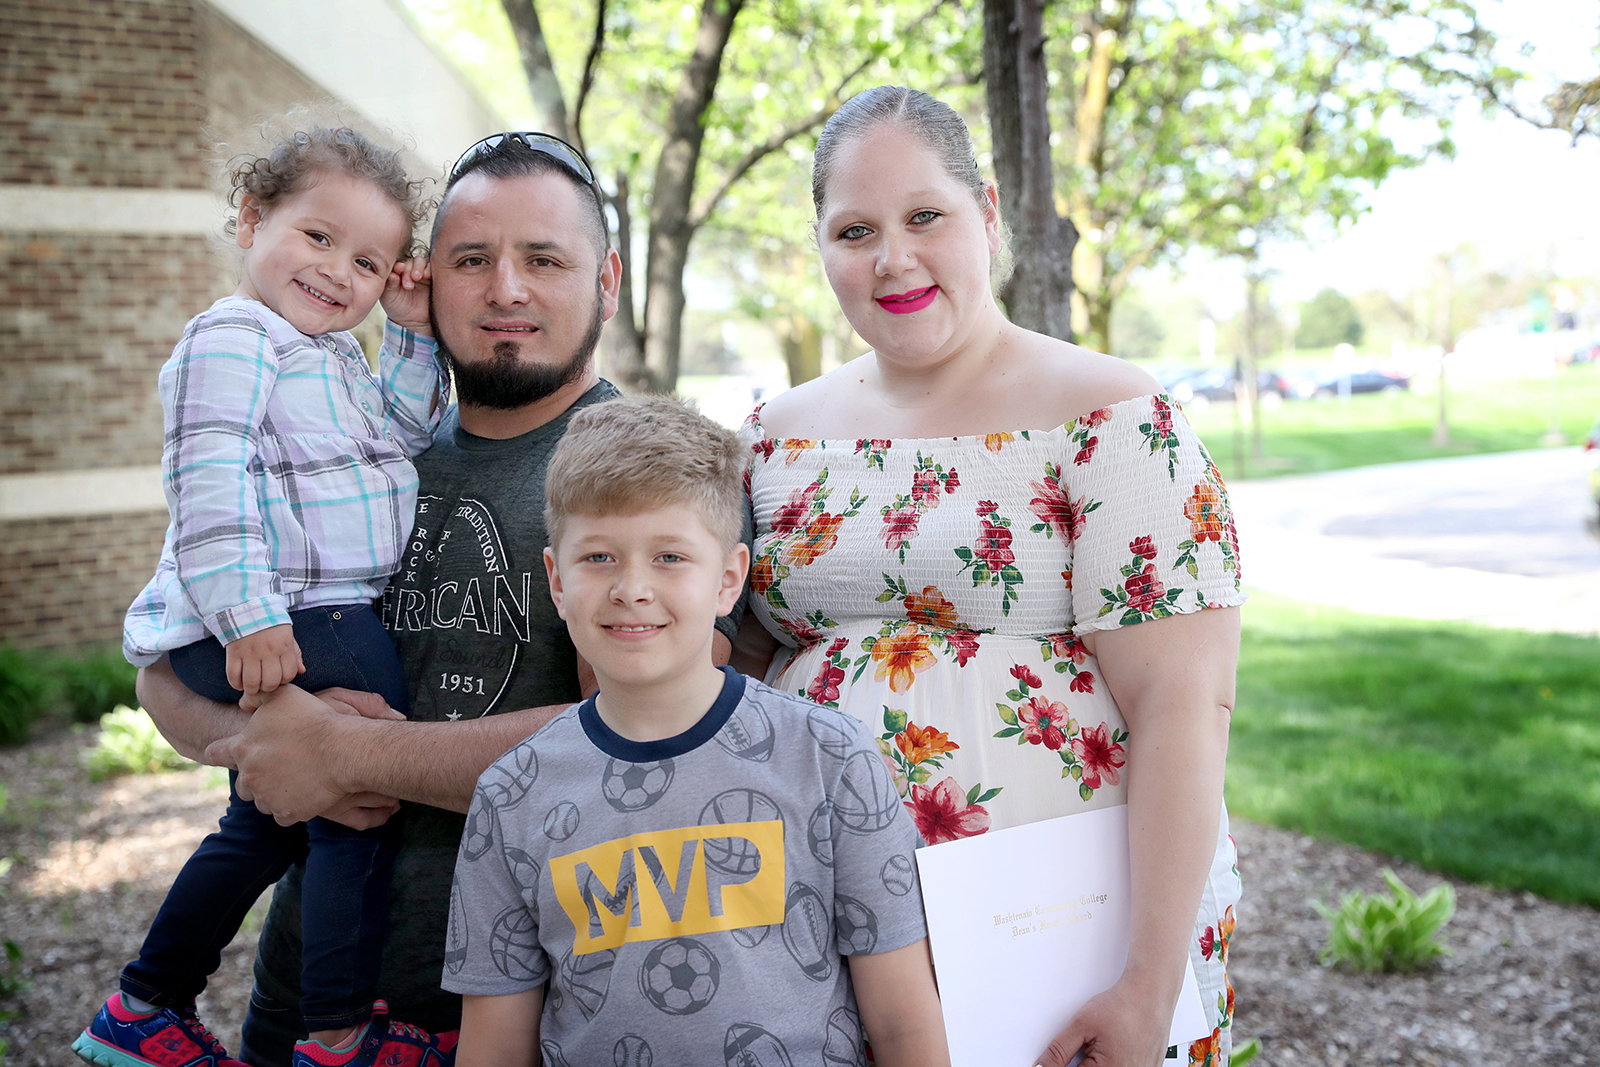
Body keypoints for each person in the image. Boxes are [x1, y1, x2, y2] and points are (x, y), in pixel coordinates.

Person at [132, 131, 738, 1067]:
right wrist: (261, 743)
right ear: (421, 280)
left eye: (543, 259)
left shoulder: (647, 471)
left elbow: (652, 742)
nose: (505, 289)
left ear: (607, 281)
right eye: (470, 260)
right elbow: (166, 671)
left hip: (529, 1014)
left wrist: (346, 752)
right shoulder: (347, 445)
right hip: (300, 1000)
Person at [733, 86, 1244, 1067]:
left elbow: (1185, 703)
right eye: (854, 229)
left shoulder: (1110, 414)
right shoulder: (771, 435)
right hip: (826, 933)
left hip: (1064, 938)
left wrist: (1142, 981)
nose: (893, 258)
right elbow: (739, 660)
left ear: (990, 214)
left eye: (925, 215)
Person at [79, 125, 455, 1067]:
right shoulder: (236, 335)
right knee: (355, 804)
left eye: (368, 261)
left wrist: (407, 332)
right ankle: (334, 1029)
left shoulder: (326, 354)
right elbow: (207, 477)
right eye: (318, 238)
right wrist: (250, 614)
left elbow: (405, 433)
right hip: (286, 611)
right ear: (251, 218)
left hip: (309, 608)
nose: (339, 273)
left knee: (264, 816)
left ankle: (147, 1002)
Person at [445, 396, 947, 1067]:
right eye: (598, 556)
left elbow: (907, 1026)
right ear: (556, 581)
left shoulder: (831, 760)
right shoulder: (511, 794)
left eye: (670, 557)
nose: (632, 588)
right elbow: (496, 1049)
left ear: (729, 579)